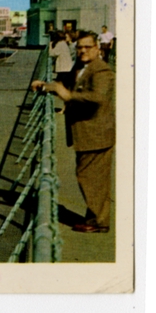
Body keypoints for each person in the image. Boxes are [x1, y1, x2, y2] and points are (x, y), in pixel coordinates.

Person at [32, 31, 115, 233]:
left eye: (87, 47)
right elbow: (64, 85)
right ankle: (95, 218)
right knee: (90, 177)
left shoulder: (101, 71)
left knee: (90, 178)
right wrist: (45, 86)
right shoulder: (81, 67)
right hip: (88, 134)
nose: (83, 50)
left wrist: (68, 96)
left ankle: (99, 222)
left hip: (96, 134)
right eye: (79, 47)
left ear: (97, 48)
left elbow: (98, 98)